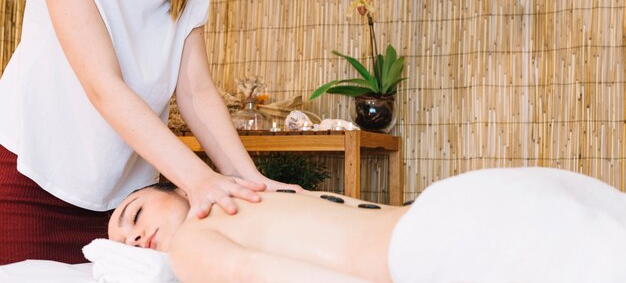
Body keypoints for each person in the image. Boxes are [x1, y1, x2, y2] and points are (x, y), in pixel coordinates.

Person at [0, 0, 298, 265]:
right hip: (31, 188)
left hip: (127, 210)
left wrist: (251, 182)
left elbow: (196, 93)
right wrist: (197, 180)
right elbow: (104, 88)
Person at [109, 167, 626, 283]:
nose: (134, 237)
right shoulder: (264, 190)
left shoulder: (195, 242)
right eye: (126, 243)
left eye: (133, 214)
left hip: (435, 241)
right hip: (469, 199)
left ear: (177, 187)